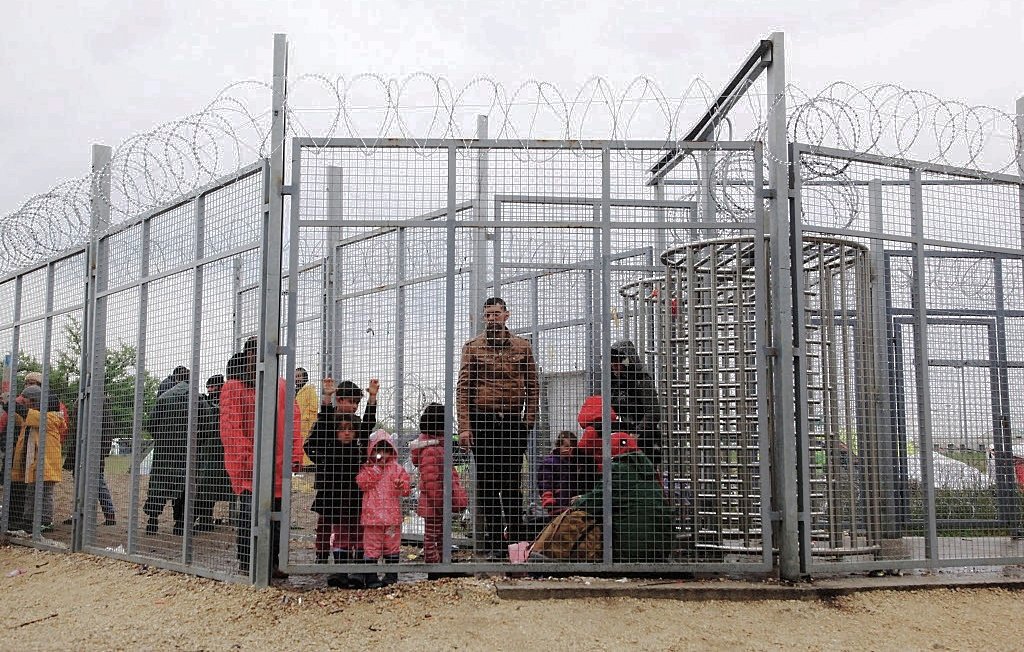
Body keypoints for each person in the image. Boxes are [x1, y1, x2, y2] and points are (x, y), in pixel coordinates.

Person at [456, 297, 539, 555]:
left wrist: (529, 420)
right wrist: (465, 426)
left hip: (512, 421)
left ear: (506, 315)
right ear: (483, 318)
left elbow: (533, 384)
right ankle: (494, 546)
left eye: (496, 314)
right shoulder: (473, 348)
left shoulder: (522, 347)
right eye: (488, 315)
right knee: (489, 484)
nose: (492, 318)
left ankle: (517, 546)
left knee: (512, 483)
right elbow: (464, 388)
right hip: (484, 421)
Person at [219, 351, 303, 577]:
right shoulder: (235, 388)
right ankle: (248, 563)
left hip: (273, 465)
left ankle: (269, 563)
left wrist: (295, 455)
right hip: (252, 467)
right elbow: (230, 428)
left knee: (275, 517)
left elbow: (294, 421)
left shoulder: (281, 387)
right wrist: (246, 458)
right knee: (251, 513)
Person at [572, 431, 675, 563]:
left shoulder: (616, 470)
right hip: (661, 550)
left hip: (630, 551)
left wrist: (579, 500)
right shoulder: (649, 470)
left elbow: (595, 502)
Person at [304, 412, 367, 588]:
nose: (346, 433)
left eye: (350, 430)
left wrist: (372, 401)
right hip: (337, 498)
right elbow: (317, 437)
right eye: (341, 430)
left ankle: (359, 571)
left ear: (356, 432)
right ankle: (340, 570)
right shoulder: (330, 450)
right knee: (339, 533)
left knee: (358, 532)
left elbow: (368, 423)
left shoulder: (359, 450)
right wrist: (326, 403)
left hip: (355, 497)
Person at [410, 402, 468, 575]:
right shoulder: (431, 450)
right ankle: (434, 568)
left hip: (437, 502)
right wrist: (441, 502)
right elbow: (430, 481)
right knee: (432, 536)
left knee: (440, 534)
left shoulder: (435, 447)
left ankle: (443, 563)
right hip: (434, 503)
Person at [6, 385, 66, 531]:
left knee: (44, 495)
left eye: (27, 401)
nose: (25, 404)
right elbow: (20, 416)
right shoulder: (34, 419)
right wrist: (5, 404)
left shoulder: (49, 418)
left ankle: (45, 521)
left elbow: (23, 412)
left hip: (46, 466)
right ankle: (28, 521)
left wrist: (10, 403)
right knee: (31, 493)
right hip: (35, 465)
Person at [356, 430, 410, 588]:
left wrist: (402, 485)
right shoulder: (368, 468)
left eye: (386, 451)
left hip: (392, 518)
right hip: (372, 518)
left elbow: (406, 489)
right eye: (378, 451)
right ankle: (371, 577)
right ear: (372, 451)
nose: (382, 455)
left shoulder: (397, 469)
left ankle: (391, 576)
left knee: (392, 547)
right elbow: (362, 483)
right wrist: (376, 469)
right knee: (371, 548)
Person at [144, 373, 190, 535]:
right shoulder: (196, 398)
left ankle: (152, 521)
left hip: (164, 451)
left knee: (158, 484)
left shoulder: (163, 397)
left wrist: (162, 438)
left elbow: (150, 424)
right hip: (186, 451)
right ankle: (180, 524)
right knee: (183, 486)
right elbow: (207, 424)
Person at [609, 340, 663, 466]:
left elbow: (653, 412)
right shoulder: (614, 384)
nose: (614, 367)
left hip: (644, 441)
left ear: (627, 362)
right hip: (624, 438)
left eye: (618, 364)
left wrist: (636, 434)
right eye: (612, 364)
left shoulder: (641, 379)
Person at [194, 375, 230, 531]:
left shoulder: (223, 403)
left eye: (213, 387)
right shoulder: (207, 403)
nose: (210, 390)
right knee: (206, 487)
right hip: (210, 451)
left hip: (219, 451)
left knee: (209, 487)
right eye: (208, 387)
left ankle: (204, 520)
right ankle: (205, 519)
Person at [537, 430, 585, 516]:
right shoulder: (550, 462)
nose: (569, 449)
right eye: (566, 446)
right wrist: (548, 497)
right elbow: (545, 481)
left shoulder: (575, 462)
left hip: (573, 505)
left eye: (572, 447)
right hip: (557, 505)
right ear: (559, 446)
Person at [295, 367, 319, 469]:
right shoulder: (294, 392)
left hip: (306, 426)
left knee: (305, 447)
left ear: (305, 377)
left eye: (299, 376)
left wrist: (304, 419)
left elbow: (313, 407)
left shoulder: (309, 390)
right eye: (295, 376)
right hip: (296, 426)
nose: (297, 379)